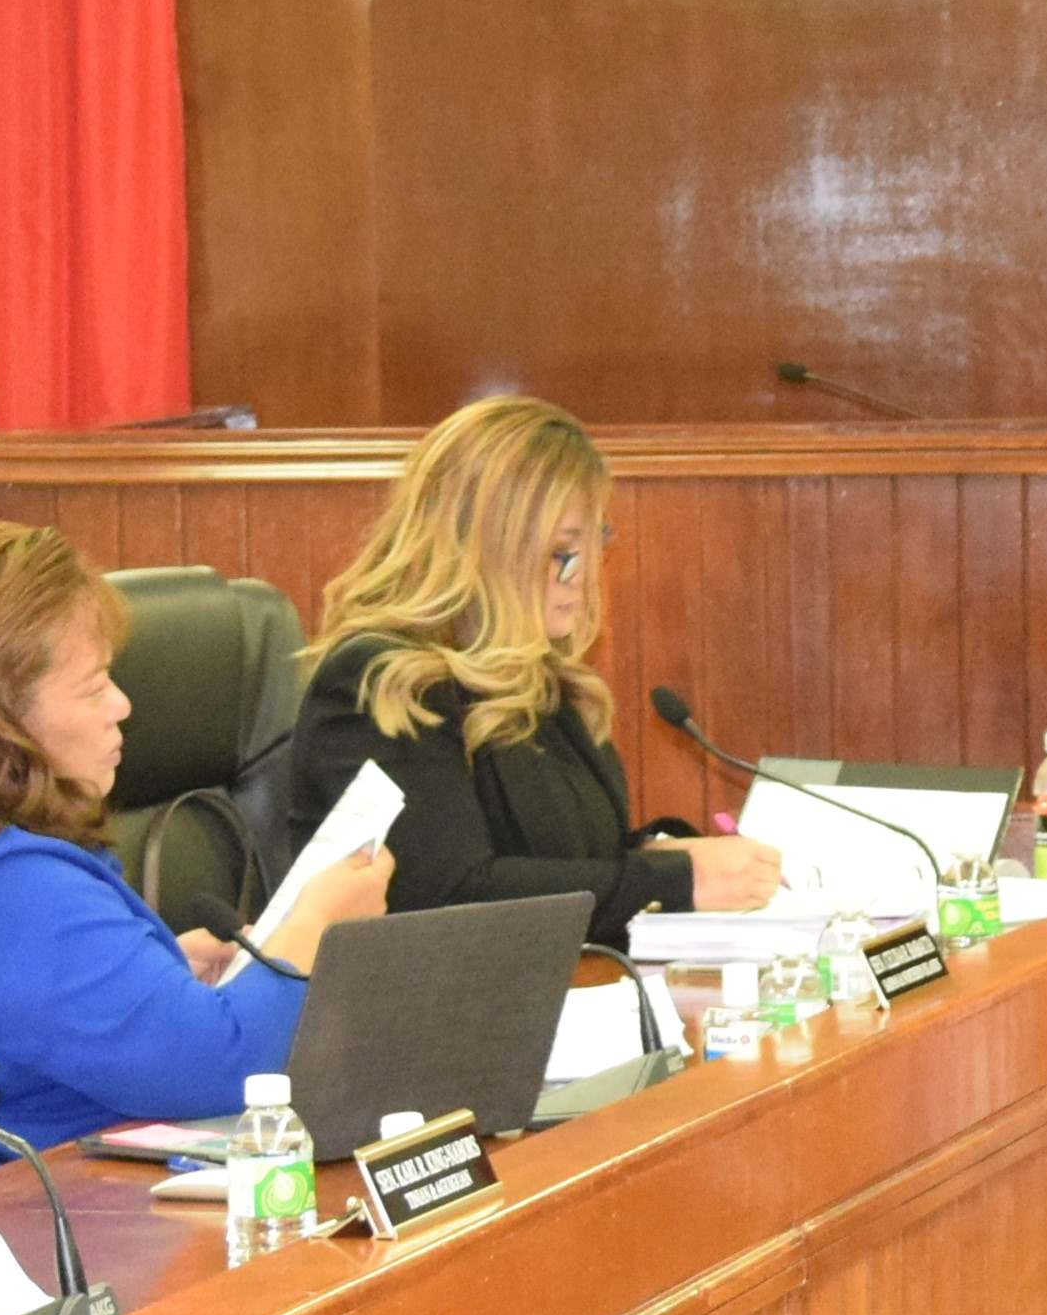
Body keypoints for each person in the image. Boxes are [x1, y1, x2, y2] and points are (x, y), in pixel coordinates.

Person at [0, 526, 391, 1150]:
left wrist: (152, 975)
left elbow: (3, 1009)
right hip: (0, 1235)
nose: (122, 706)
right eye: (93, 687)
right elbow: (224, 1069)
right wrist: (318, 929)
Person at [271, 397, 774, 960]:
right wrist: (673, 882)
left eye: (591, 546)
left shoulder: (541, 678)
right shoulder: (383, 683)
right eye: (562, 552)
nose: (580, 580)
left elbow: (572, 861)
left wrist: (662, 853)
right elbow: (450, 899)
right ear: (487, 549)